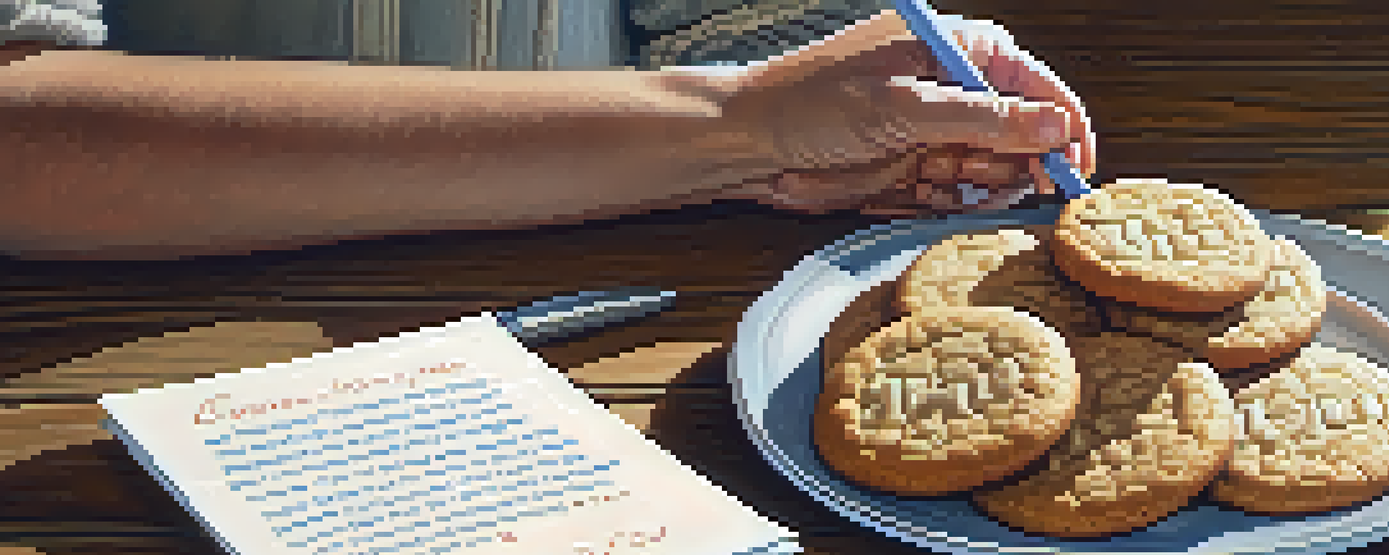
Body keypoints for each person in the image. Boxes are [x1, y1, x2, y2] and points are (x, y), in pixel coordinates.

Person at [0, 4, 1094, 261]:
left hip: (630, 334)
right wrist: (732, 124)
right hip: (145, 362)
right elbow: (23, 135)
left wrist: (827, 107)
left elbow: (776, 46)